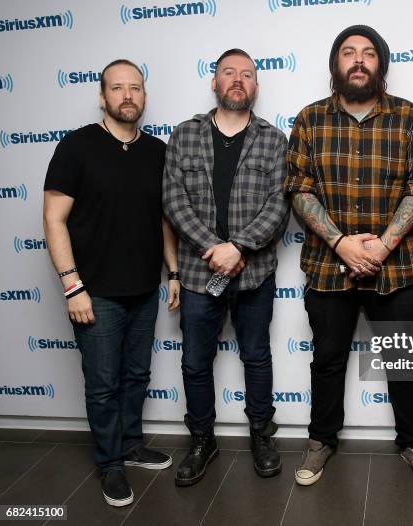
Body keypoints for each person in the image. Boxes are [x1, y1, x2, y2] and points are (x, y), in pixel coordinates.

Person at [285, 25, 413, 487]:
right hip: (329, 269)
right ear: (335, 65)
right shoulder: (311, 119)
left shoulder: (409, 118)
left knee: (402, 362)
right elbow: (298, 189)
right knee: (327, 360)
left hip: (397, 270)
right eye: (348, 53)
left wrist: (383, 245)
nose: (358, 60)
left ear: (381, 65)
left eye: (368, 53)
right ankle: (321, 440)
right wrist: (341, 243)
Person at [43, 59, 180, 507]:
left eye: (135, 88)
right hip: (94, 292)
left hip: (143, 290)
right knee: (102, 383)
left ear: (144, 96)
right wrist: (71, 285)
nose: (127, 95)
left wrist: (174, 272)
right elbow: (53, 218)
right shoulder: (76, 147)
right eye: (117, 88)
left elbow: (163, 221)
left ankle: (131, 445)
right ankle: (111, 465)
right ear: (102, 96)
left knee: (136, 375)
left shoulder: (157, 151)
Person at [163, 49, 289, 486]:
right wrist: (214, 247)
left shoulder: (274, 140)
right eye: (228, 73)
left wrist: (239, 247)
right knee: (197, 362)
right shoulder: (184, 134)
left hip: (254, 272)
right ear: (213, 82)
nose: (238, 80)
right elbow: (174, 201)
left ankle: (260, 433)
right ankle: (202, 440)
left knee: (256, 357)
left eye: (248, 75)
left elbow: (279, 205)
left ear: (256, 86)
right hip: (199, 275)